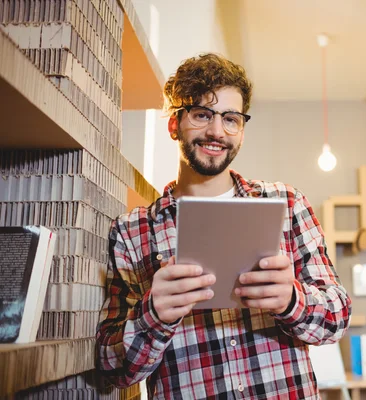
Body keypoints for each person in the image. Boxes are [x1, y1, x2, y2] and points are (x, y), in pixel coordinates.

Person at [95, 53, 352, 399]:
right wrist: (153, 315)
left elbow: (337, 317)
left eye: (231, 119)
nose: (217, 131)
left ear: (241, 130)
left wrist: (293, 299)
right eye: (202, 115)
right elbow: (113, 369)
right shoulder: (130, 232)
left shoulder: (287, 204)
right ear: (174, 124)